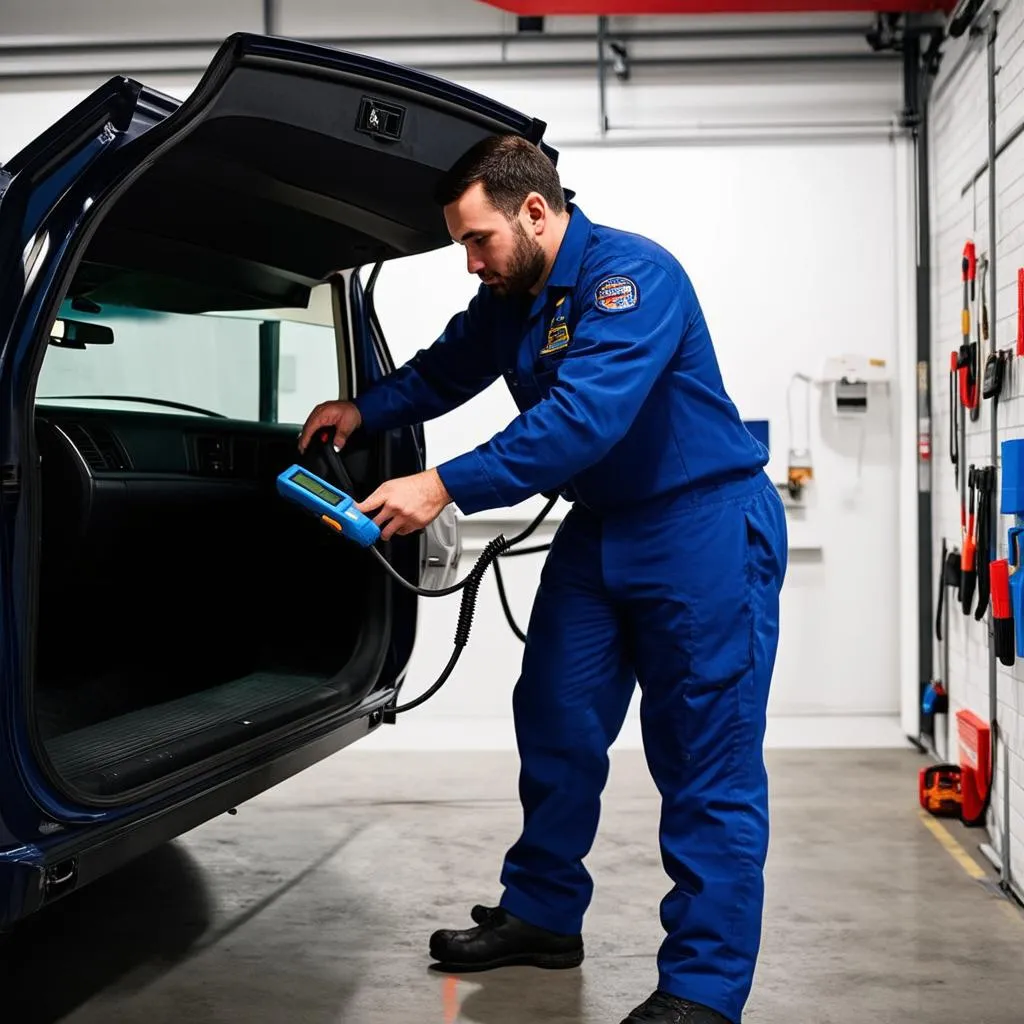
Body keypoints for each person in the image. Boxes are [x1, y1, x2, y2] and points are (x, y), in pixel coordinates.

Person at [298, 134, 787, 1024]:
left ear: (535, 210)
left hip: (701, 529)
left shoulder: (630, 279)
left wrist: (439, 482)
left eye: (477, 239)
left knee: (704, 759)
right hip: (602, 530)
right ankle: (545, 915)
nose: (471, 262)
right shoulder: (511, 295)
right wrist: (363, 408)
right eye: (461, 246)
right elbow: (447, 369)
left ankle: (705, 991)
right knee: (556, 719)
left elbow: (582, 421)